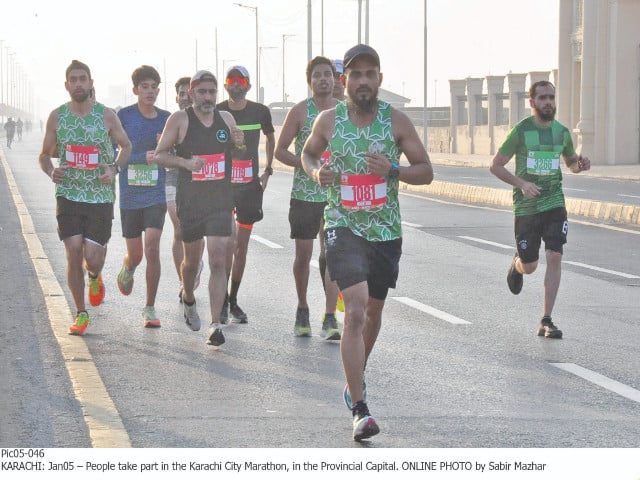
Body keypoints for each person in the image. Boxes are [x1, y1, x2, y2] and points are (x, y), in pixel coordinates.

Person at [301, 44, 433, 441]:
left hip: (385, 230)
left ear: (379, 79)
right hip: (342, 224)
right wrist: (316, 172)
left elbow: (426, 171)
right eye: (354, 75)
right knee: (355, 312)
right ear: (344, 82)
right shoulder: (328, 120)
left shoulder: (398, 122)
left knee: (373, 314)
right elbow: (308, 155)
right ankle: (360, 407)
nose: (361, 81)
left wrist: (393, 169)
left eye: (368, 74)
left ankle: (353, 381)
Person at [489, 80, 591, 340]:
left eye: (552, 98)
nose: (548, 102)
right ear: (532, 102)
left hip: (554, 202)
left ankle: (546, 320)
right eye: (543, 98)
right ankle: (517, 264)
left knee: (555, 256)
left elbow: (570, 164)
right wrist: (522, 184)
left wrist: (581, 165)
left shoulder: (561, 132)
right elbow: (496, 166)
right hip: (527, 207)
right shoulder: (521, 131)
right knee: (531, 265)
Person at [38, 59, 131, 335]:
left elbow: (126, 146)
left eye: (83, 79)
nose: (79, 83)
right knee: (73, 251)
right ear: (67, 85)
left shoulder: (106, 116)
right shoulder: (57, 116)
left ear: (91, 84)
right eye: (74, 79)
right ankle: (80, 313)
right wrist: (51, 171)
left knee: (93, 258)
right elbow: (44, 154)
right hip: (68, 194)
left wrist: (114, 168)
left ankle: (94, 275)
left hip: (99, 196)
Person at [154, 70, 244, 347]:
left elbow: (237, 151)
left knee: (218, 258)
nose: (207, 97)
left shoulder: (225, 119)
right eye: (202, 92)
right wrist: (185, 163)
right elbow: (159, 155)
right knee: (191, 262)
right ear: (192, 93)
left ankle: (216, 324)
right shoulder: (180, 120)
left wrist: (239, 142)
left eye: (212, 92)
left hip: (219, 199)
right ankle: (189, 298)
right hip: (191, 201)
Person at [275, 56, 342, 340]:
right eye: (317, 75)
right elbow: (280, 151)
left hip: (335, 196)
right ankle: (302, 308)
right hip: (304, 193)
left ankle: (330, 316)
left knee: (334, 255)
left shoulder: (344, 113)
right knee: (304, 255)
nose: (324, 79)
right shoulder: (300, 112)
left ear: (336, 80)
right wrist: (307, 166)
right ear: (309, 81)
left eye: (328, 74)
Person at [216, 65, 275, 323]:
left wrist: (267, 170)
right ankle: (222, 302)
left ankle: (233, 300)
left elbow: (272, 138)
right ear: (226, 85)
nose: (236, 84)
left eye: (241, 80)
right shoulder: (218, 111)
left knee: (241, 247)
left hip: (250, 187)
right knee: (227, 244)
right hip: (224, 187)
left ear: (249, 85)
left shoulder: (260, 111)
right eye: (231, 80)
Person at [115, 65, 171, 328]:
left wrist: (167, 145)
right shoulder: (123, 116)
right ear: (135, 89)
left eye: (154, 87)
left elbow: (176, 154)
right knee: (136, 254)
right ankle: (128, 267)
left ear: (159, 91)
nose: (149, 92)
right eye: (144, 87)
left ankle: (149, 307)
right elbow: (117, 156)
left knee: (152, 246)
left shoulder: (167, 119)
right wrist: (141, 157)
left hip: (155, 193)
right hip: (129, 195)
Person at [166, 76, 205, 302]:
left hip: (202, 180)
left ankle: (195, 263)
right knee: (179, 227)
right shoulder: (173, 120)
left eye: (189, 93)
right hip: (175, 177)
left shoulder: (208, 119)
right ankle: (184, 280)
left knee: (198, 230)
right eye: (181, 94)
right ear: (177, 97)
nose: (186, 97)